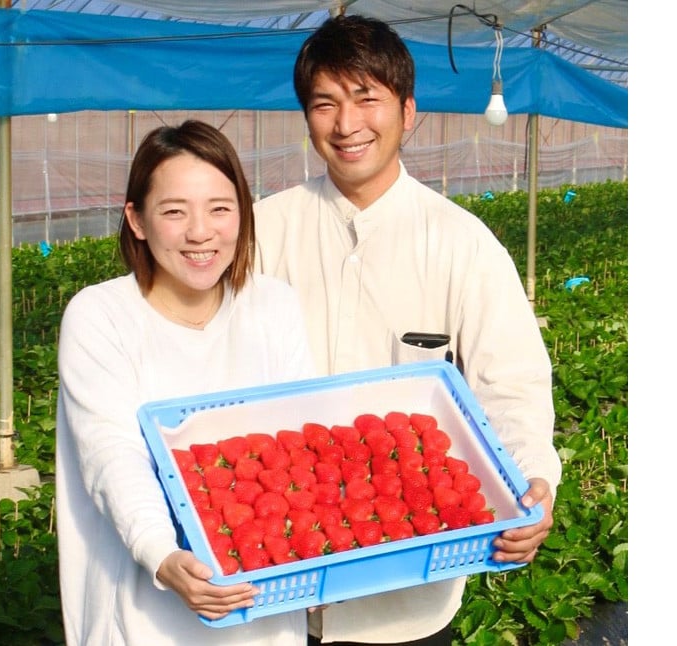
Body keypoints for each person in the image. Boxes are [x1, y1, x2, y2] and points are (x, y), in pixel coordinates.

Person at [253, 15, 562, 646]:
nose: (347, 124)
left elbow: (512, 385)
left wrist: (533, 475)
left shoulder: (462, 245)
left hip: (406, 601)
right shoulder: (262, 233)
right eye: (325, 103)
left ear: (408, 111)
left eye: (367, 98)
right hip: (271, 587)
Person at [55, 120, 314, 646]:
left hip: (260, 608)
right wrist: (162, 553)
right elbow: (112, 453)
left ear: (243, 212)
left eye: (220, 208)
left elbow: (299, 442)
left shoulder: (273, 306)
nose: (201, 232)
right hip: (144, 613)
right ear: (138, 220)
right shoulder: (101, 316)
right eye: (175, 211)